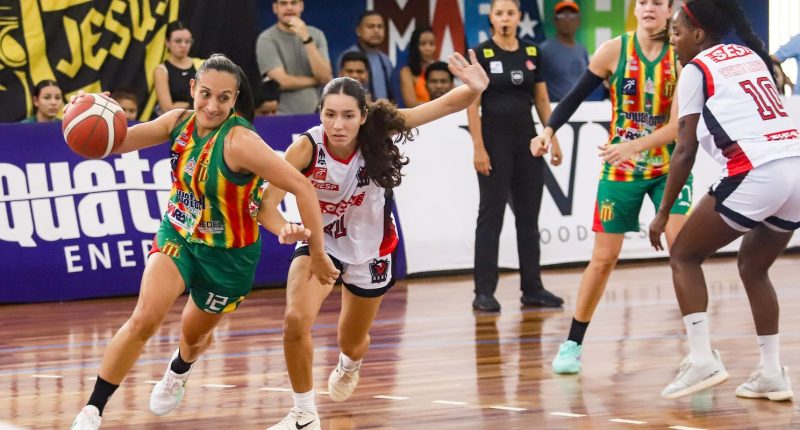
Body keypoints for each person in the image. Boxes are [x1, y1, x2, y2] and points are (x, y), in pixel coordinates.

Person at [69, 54, 339, 430]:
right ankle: (92, 410)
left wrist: (314, 250)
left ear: (234, 99)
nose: (212, 106)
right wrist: (85, 112)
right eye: (206, 94)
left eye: (224, 98)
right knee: (145, 317)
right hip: (179, 235)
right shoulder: (177, 122)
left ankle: (180, 367)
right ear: (193, 88)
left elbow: (302, 187)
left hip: (229, 257)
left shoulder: (241, 142)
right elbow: (112, 143)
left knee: (193, 336)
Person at [260, 51, 488, 430]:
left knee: (350, 341)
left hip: (372, 249)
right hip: (321, 242)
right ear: (320, 114)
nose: (338, 124)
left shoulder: (379, 132)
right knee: (295, 320)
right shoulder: (306, 148)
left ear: (363, 116)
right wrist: (284, 227)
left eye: (348, 115)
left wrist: (474, 89)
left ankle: (350, 364)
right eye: (330, 114)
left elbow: (443, 105)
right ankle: (303, 414)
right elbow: (265, 204)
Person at [532, 0, 692, 374]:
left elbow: (677, 128)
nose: (649, 8)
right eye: (643, 2)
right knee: (603, 259)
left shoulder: (680, 55)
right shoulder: (613, 51)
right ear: (634, 9)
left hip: (668, 168)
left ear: (670, 10)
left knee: (682, 253)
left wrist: (633, 146)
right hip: (621, 169)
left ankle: (699, 348)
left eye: (657, 3)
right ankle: (572, 344)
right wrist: (548, 131)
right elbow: (572, 98)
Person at [652, 0, 800, 401]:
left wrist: (662, 213)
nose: (673, 42)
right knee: (754, 267)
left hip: (758, 170)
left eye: (677, 33)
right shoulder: (747, 55)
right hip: (796, 169)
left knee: (684, 256)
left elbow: (684, 150)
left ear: (699, 35)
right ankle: (771, 373)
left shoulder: (695, 69)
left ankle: (702, 359)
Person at [468, 0, 563, 314]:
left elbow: (542, 100)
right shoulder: (481, 53)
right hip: (494, 144)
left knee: (529, 217)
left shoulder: (532, 52)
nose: (505, 18)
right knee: (491, 216)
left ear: (519, 17)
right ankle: (484, 291)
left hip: (527, 143)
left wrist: (552, 137)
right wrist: (478, 147)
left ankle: (532, 288)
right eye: (499, 13)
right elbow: (472, 105)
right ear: (492, 18)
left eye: (510, 13)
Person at [255, 0, 332, 115]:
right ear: (275, 8)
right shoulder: (266, 38)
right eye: (283, 3)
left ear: (301, 6)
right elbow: (281, 82)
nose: (289, 7)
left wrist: (306, 39)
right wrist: (315, 81)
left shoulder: (316, 35)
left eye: (294, 3)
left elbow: (324, 76)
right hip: (282, 115)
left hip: (316, 113)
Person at [539, 1, 605, 102]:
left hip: (583, 108)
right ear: (555, 21)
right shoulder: (544, 50)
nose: (567, 20)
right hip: (556, 108)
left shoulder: (582, 50)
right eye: (562, 16)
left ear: (578, 21)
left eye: (572, 16)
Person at [336, 10, 393, 102]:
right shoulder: (347, 58)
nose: (376, 30)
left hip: (381, 109)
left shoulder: (385, 60)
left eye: (380, 26)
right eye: (371, 26)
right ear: (358, 30)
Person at [153, 21, 200, 115]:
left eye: (187, 41)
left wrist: (182, 105)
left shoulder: (201, 65)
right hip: (174, 121)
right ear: (167, 42)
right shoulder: (161, 70)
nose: (183, 45)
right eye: (178, 41)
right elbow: (167, 109)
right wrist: (193, 104)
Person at [399, 26, 436, 107]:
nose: (428, 48)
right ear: (415, 46)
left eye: (431, 44)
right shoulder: (407, 72)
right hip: (420, 114)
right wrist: (441, 106)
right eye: (423, 44)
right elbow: (411, 104)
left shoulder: (440, 68)